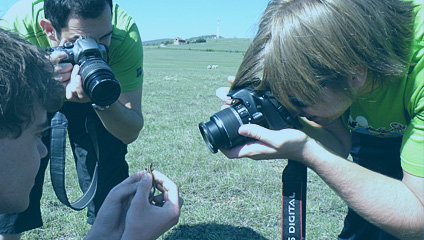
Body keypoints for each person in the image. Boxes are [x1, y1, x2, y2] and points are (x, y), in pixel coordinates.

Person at [217, 0, 424, 239]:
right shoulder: (348, 52)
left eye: (297, 101)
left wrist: (307, 152)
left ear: (355, 73)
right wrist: (275, 115)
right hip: (378, 137)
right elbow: (339, 145)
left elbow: (417, 217)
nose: (293, 110)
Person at [0, 27, 181, 240]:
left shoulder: (126, 34)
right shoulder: (20, 21)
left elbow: (130, 130)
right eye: (37, 134)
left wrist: (102, 234)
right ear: (50, 30)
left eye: (103, 40)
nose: (43, 151)